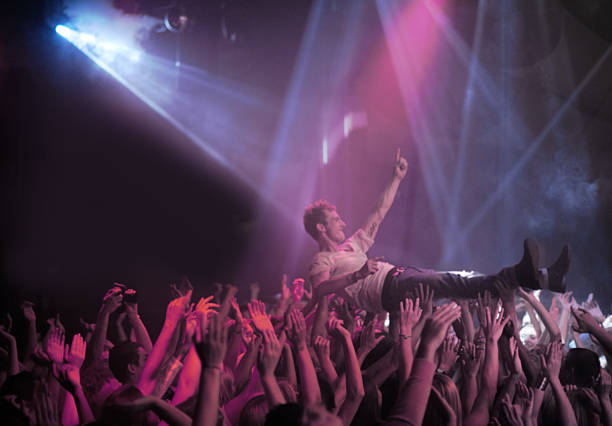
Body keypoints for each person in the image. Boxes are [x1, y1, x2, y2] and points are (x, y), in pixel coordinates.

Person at [303, 149, 570, 313]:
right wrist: (357, 275)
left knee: (464, 279)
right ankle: (524, 275)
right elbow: (321, 289)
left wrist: (396, 178)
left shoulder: (351, 246)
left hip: (400, 277)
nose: (343, 223)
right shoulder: (322, 260)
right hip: (390, 290)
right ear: (320, 227)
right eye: (335, 220)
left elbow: (378, 213)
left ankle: (544, 278)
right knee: (457, 283)